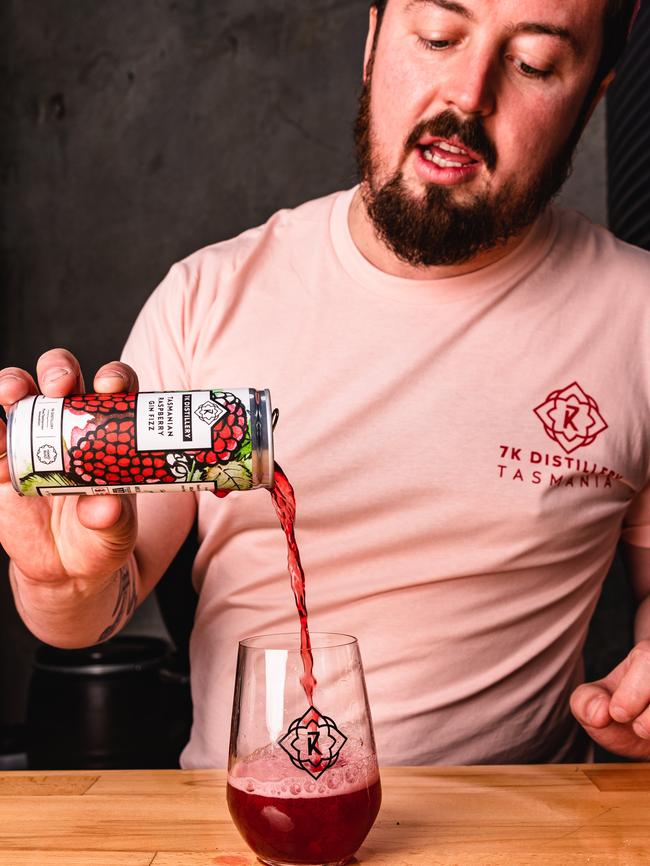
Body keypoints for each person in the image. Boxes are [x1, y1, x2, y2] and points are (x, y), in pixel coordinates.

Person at [1, 0, 649, 768]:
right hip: (246, 831)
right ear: (373, 38)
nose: (468, 95)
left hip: (517, 835)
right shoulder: (210, 297)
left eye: (533, 63)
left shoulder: (636, 315)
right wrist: (61, 582)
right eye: (439, 37)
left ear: (595, 93)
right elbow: (93, 611)